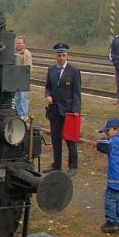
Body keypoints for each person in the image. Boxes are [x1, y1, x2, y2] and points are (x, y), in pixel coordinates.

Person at [45, 42, 82, 175]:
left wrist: (76, 110)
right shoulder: (51, 70)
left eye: (63, 55)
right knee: (55, 139)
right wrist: (48, 96)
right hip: (54, 109)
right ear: (56, 56)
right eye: (59, 55)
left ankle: (73, 166)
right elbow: (47, 87)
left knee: (70, 140)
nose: (61, 58)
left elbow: (77, 93)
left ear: (67, 56)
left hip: (69, 111)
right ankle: (56, 164)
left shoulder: (74, 71)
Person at [13, 36, 33, 120]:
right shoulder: (14, 52)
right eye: (17, 43)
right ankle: (19, 114)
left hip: (23, 79)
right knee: (17, 97)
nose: (19, 45)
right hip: (15, 78)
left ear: (24, 44)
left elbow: (29, 67)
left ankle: (24, 115)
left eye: (20, 43)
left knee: (23, 97)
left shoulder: (27, 53)